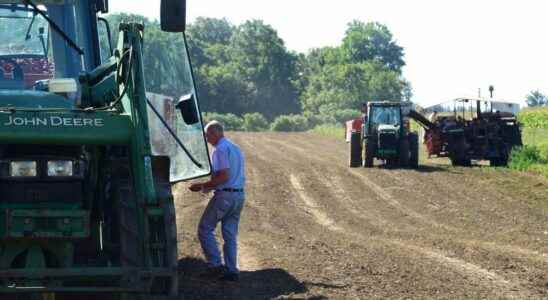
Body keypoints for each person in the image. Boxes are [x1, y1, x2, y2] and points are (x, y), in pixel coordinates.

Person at [189, 120, 246, 282]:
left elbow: (224, 176)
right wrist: (208, 187)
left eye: (208, 135)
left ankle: (214, 265)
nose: (207, 139)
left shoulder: (220, 150)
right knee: (230, 234)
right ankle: (231, 270)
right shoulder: (235, 148)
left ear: (216, 133)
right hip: (239, 195)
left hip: (225, 196)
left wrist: (202, 186)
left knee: (205, 228)